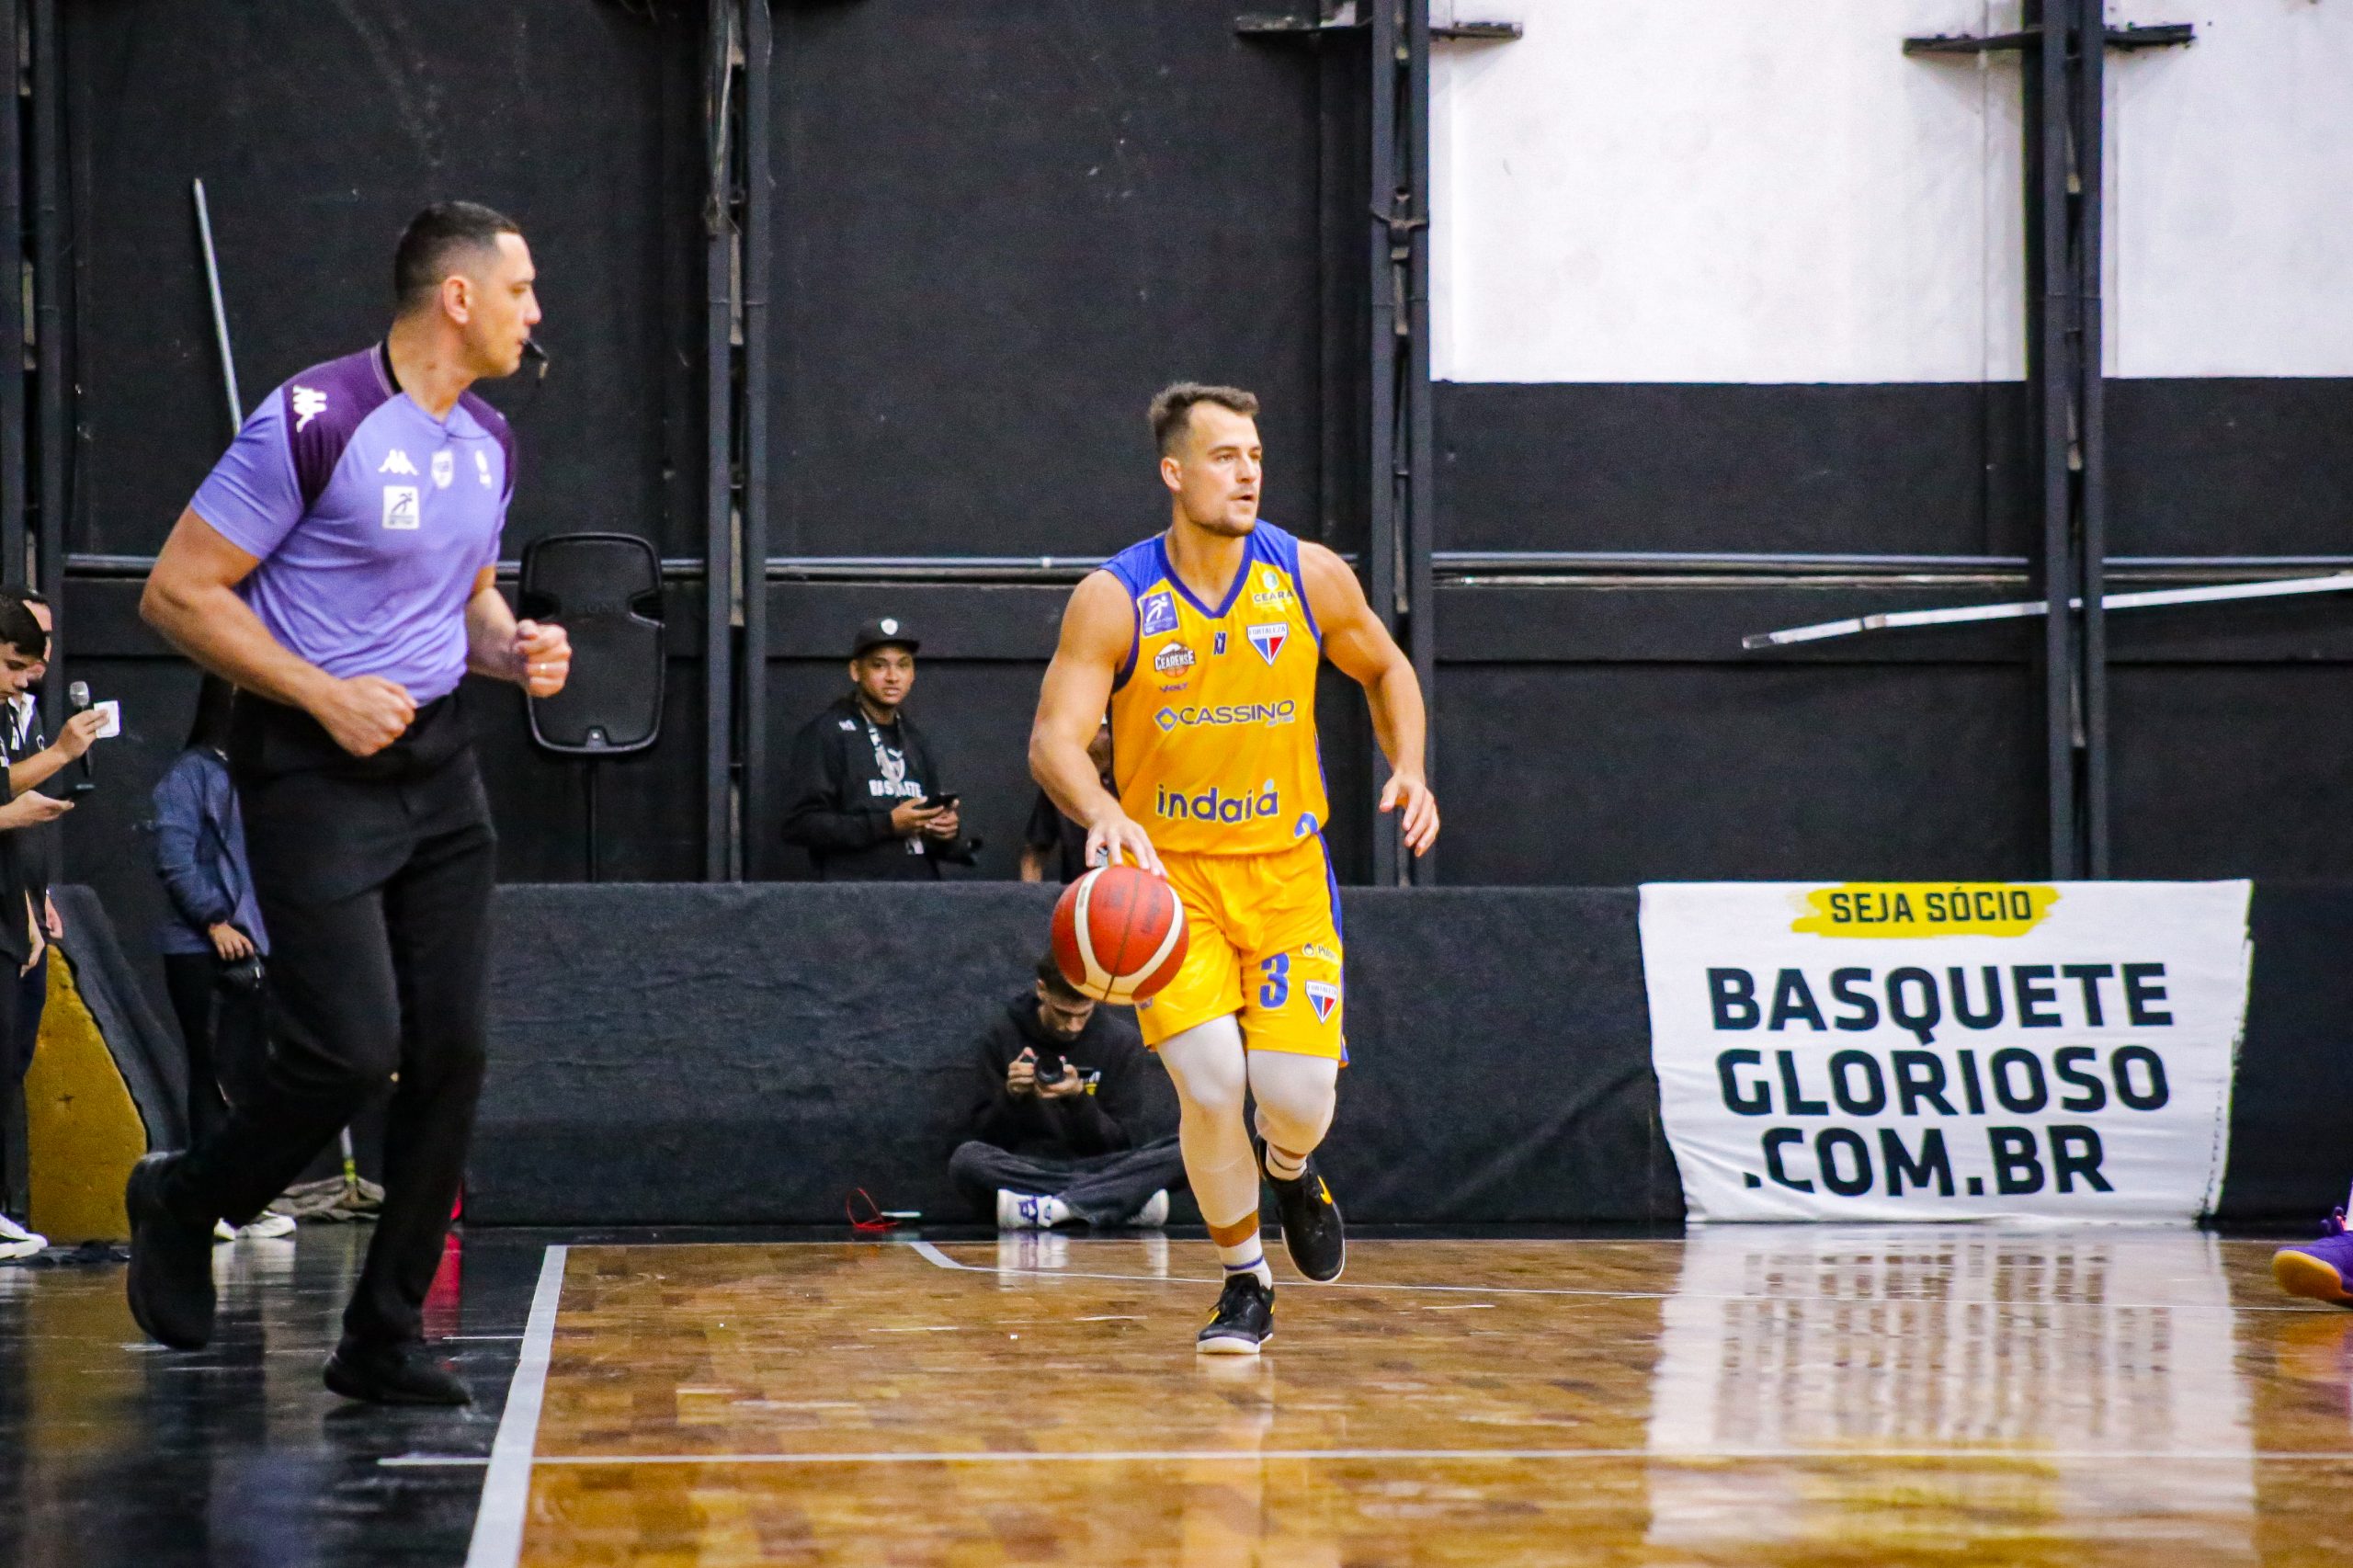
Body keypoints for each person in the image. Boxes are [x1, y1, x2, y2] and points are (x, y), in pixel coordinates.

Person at [131, 200, 570, 1404]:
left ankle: (382, 1332)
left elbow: (463, 601)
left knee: (453, 1050)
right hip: (313, 766)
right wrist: (321, 694)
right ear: (458, 297)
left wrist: (512, 648)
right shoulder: (314, 418)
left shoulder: (489, 440)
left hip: (440, 765)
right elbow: (176, 595)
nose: (536, 314)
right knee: (347, 1052)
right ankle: (187, 1195)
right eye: (521, 289)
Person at [1029, 382, 1438, 1353]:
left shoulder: (1307, 574)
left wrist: (1410, 766)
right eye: (1224, 456)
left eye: (1255, 455)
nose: (1248, 472)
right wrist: (1103, 809)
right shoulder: (1116, 596)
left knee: (1294, 1098)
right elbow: (1053, 739)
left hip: (1286, 871)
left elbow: (1386, 668)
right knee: (1211, 1083)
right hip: (1173, 883)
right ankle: (1244, 1281)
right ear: (1174, 472)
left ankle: (1290, 1170)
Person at [149, 676, 297, 1244]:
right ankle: (206, 1201)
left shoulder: (254, 773)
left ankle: (241, 1200)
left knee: (250, 1075)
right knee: (212, 1072)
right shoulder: (190, 776)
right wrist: (214, 920)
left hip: (255, 943)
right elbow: (174, 857)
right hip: (202, 949)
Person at [949, 953, 1185, 1229]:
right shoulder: (1002, 1036)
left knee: (1185, 1151)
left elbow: (1123, 1143)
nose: (1073, 1026)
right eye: (1063, 1013)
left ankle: (1055, 1208)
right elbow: (983, 1135)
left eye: (1083, 1014)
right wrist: (1011, 1095)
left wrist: (1079, 1098)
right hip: (1028, 1167)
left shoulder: (1120, 1042)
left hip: (1104, 1165)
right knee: (967, 1160)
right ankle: (1114, 1202)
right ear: (1042, 990)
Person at [779, 617, 974, 880]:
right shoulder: (827, 733)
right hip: (856, 895)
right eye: (879, 666)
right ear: (856, 671)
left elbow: (926, 832)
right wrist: (887, 824)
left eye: (903, 665)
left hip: (920, 893)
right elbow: (800, 825)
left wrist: (943, 829)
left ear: (912, 674)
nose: (893, 677)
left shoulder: (915, 738)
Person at [0, 597, 76, 1260]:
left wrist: (30, 907)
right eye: (11, 663)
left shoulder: (15, 712)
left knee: (12, 1056)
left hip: (12, 903)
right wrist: (61, 753)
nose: (21, 678)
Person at [1019, 721, 1111, 884]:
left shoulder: (1134, 782)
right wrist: (1029, 896)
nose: (1089, 735)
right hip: (1076, 893)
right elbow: (1033, 855)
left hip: (1132, 891)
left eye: (1100, 728)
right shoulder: (1062, 786)